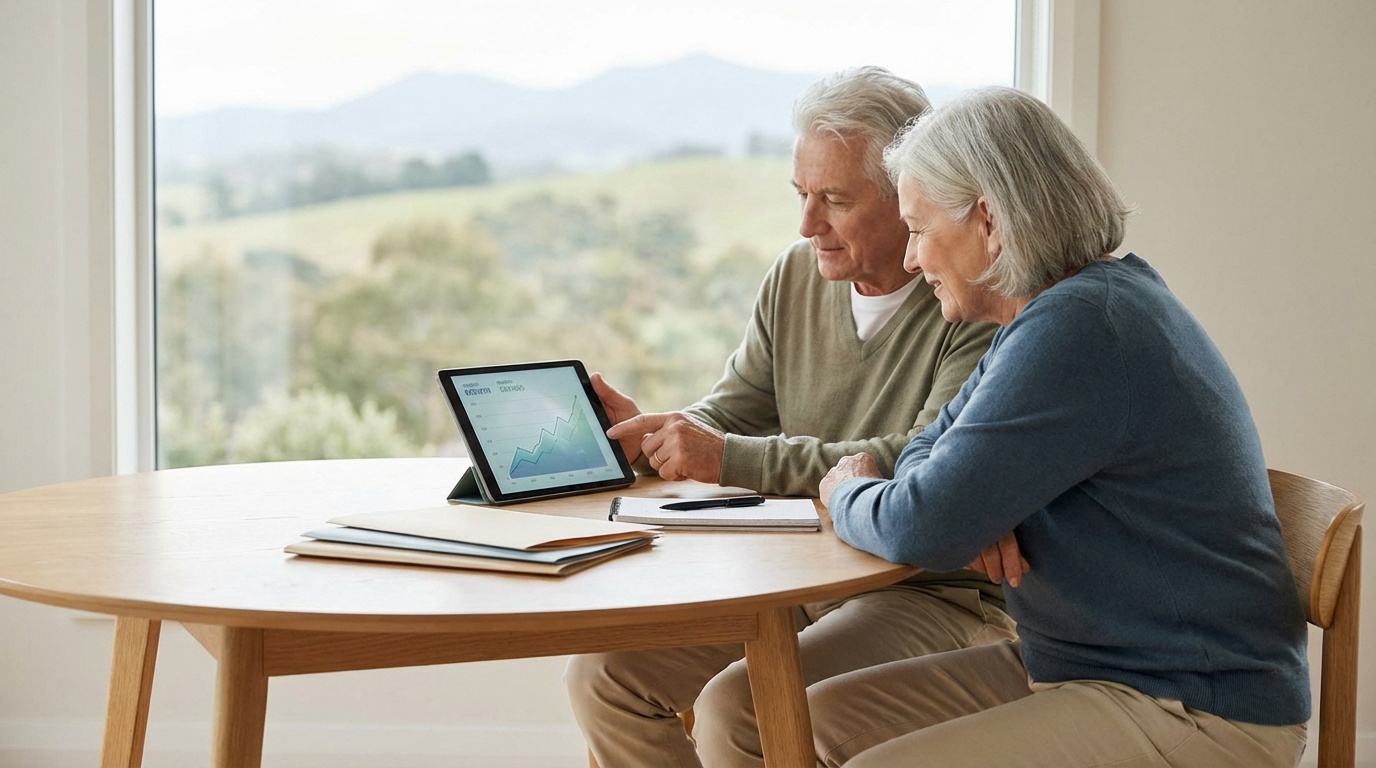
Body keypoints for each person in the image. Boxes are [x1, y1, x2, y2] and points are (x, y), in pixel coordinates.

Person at [815, 86, 1311, 767]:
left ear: (989, 220)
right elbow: (929, 459)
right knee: (796, 720)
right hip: (1083, 668)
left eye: (922, 229)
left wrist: (847, 490)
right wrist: (960, 503)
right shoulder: (1053, 313)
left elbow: (920, 525)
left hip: (1193, 706)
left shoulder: (1081, 329)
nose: (911, 259)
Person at [564, 67, 1016, 768]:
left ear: (909, 196)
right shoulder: (795, 277)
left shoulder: (971, 295)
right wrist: (653, 435)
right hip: (798, 578)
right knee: (607, 678)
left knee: (737, 708)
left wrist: (727, 457)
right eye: (802, 195)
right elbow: (734, 409)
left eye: (833, 200)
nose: (807, 225)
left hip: (926, 590)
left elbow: (919, 460)